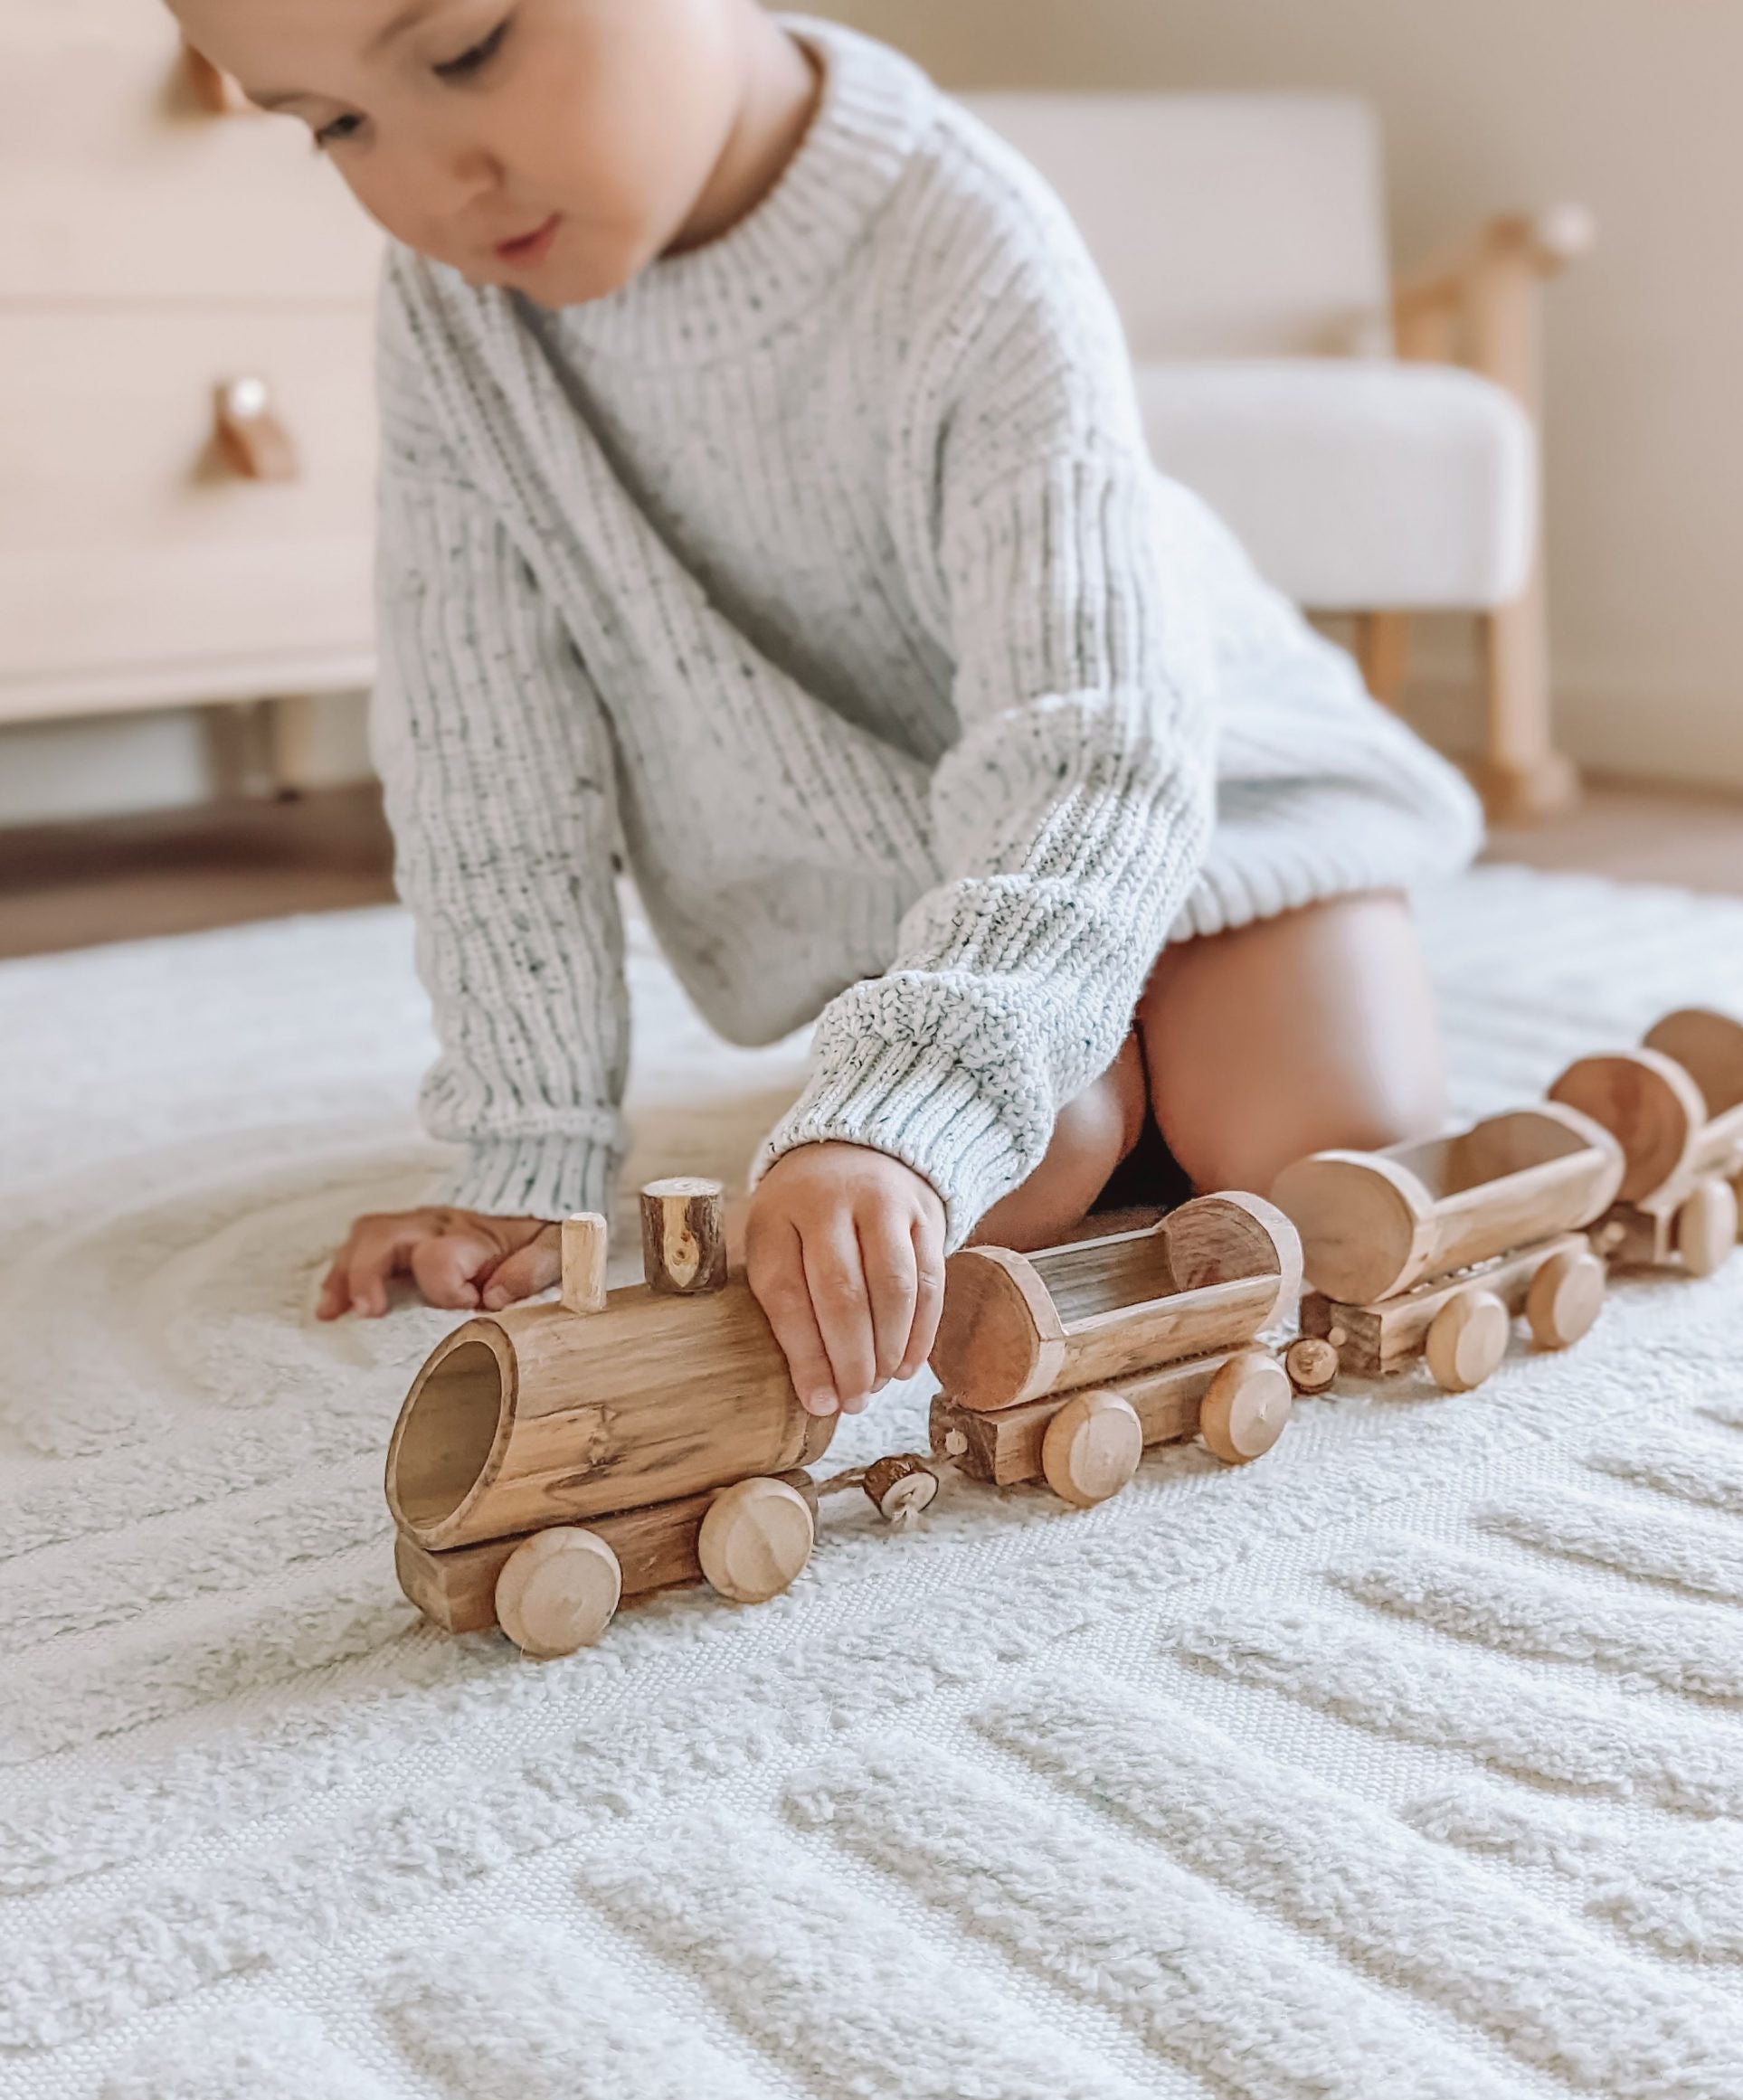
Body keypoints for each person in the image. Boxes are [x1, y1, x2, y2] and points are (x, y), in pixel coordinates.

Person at [172, 0, 1482, 1419]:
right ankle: (1087, 1064)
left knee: (1318, 1157)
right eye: (338, 127)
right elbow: (485, 770)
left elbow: (1098, 752)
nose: (433, 187)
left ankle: (1138, 1043)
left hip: (1217, 794)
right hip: (930, 871)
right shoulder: (453, 320)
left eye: (468, 51)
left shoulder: (968, 239)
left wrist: (917, 1095)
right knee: (974, 1183)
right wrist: (522, 1173)